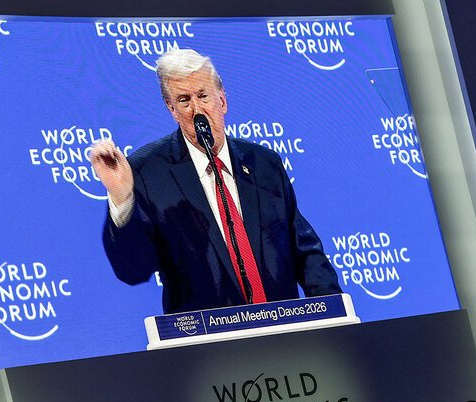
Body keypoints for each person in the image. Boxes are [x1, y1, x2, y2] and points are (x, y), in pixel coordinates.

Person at [91, 48, 340, 314]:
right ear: (172, 109)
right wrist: (122, 199)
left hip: (283, 327)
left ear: (222, 100)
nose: (197, 109)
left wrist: (333, 312)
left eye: (203, 96)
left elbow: (304, 251)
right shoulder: (147, 171)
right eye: (184, 100)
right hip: (207, 335)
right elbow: (132, 271)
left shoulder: (264, 163)